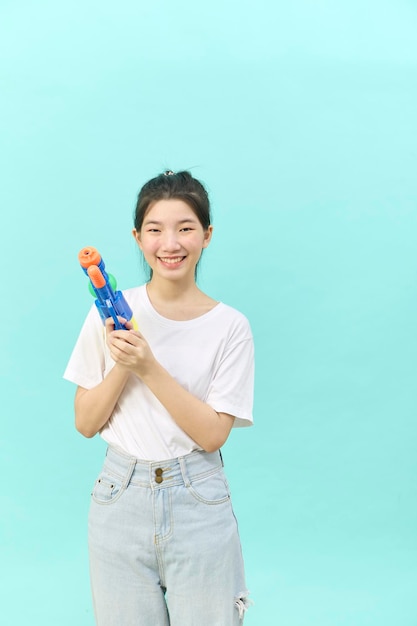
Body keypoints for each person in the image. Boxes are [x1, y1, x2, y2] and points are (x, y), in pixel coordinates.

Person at [64, 170, 255, 626]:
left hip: (199, 501)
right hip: (118, 496)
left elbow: (212, 435)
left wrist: (148, 366)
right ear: (137, 237)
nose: (170, 243)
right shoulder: (107, 313)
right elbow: (86, 423)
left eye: (185, 228)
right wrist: (122, 366)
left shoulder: (230, 327)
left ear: (206, 236)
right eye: (155, 230)